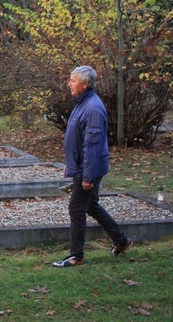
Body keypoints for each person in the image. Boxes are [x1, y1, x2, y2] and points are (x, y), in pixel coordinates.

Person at [52, 65, 133, 268]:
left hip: (87, 169)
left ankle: (76, 256)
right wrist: (70, 165)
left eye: (73, 81)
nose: (69, 84)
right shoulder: (83, 103)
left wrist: (87, 176)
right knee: (90, 206)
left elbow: (92, 146)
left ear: (85, 84)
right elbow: (78, 139)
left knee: (76, 208)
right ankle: (121, 240)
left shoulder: (93, 108)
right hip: (81, 166)